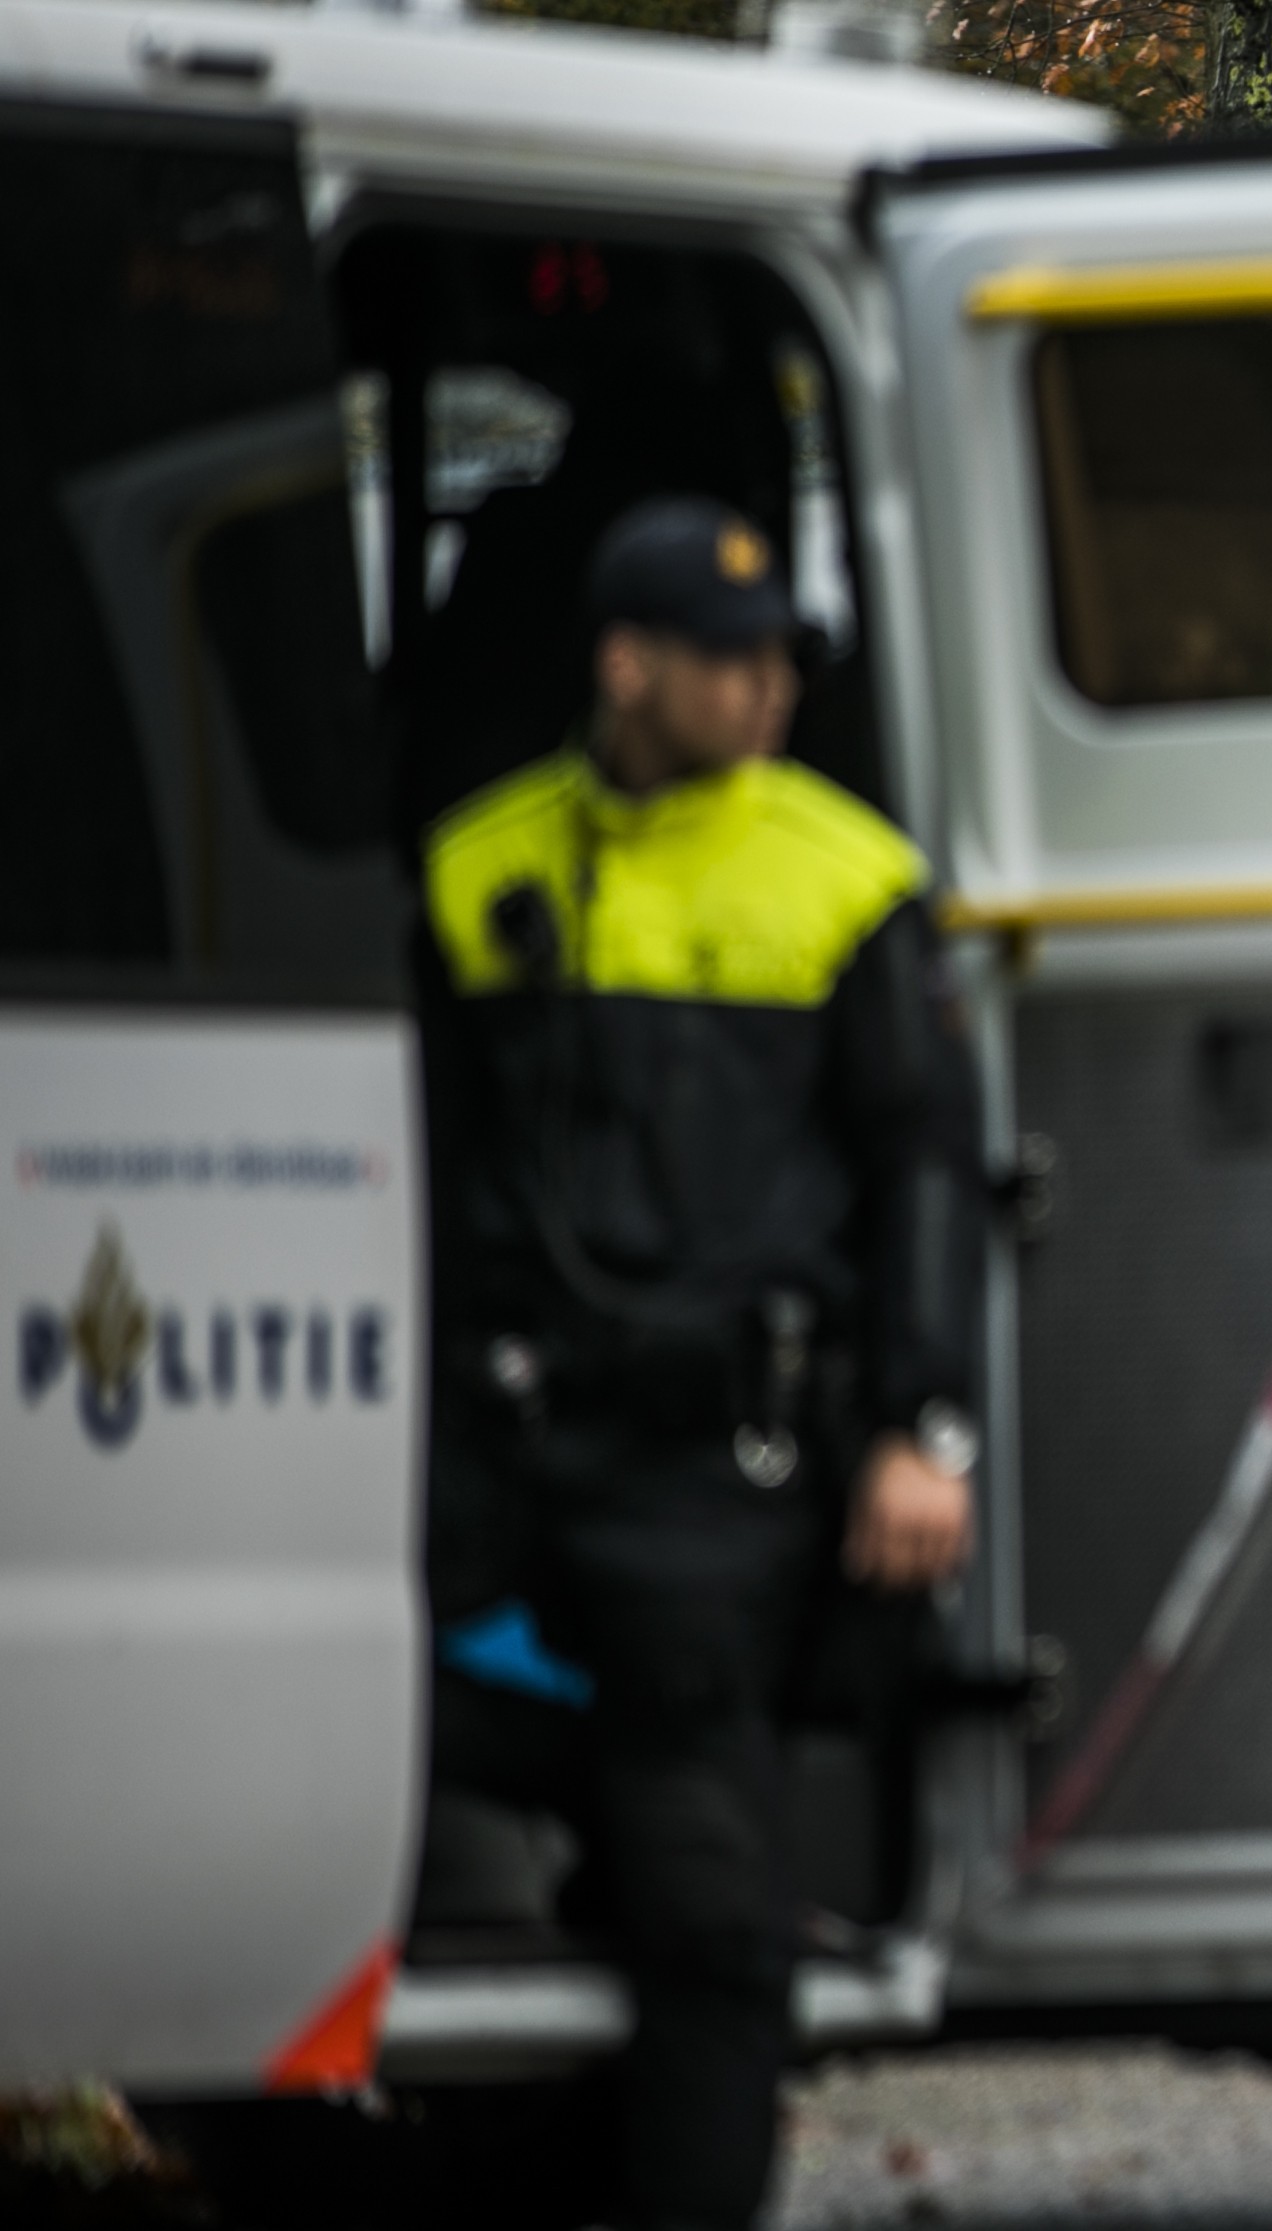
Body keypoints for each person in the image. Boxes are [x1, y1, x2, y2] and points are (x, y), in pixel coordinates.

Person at [417, 497, 981, 2231]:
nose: (766, 694)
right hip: (500, 1462)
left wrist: (917, 1426)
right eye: (730, 663)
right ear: (625, 666)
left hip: (711, 1481)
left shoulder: (847, 876)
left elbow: (925, 1180)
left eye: (780, 663)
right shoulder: (475, 871)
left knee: (714, 1928)